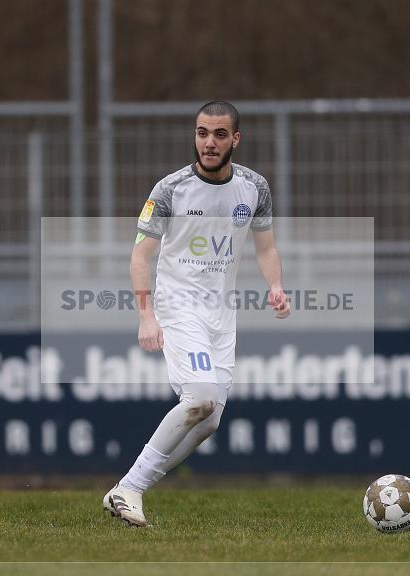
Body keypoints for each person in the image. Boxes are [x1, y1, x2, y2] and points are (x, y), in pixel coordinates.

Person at [103, 100, 290, 527]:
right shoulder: (169, 190)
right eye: (202, 133)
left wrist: (276, 287)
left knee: (210, 420)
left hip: (223, 316)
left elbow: (266, 248)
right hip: (178, 307)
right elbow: (139, 257)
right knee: (201, 398)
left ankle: (126, 488)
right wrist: (146, 315)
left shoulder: (254, 188)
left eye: (220, 134)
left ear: (235, 139)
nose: (209, 142)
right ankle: (130, 488)